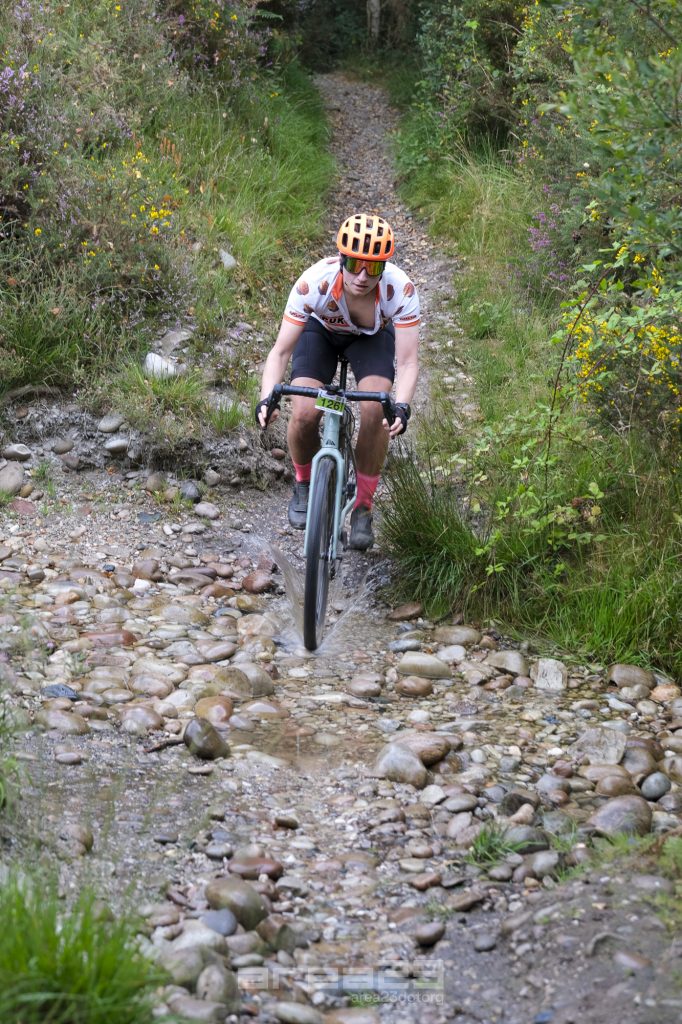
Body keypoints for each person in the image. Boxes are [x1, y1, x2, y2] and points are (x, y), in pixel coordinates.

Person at [255, 213, 420, 550]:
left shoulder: (399, 290)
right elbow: (280, 352)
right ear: (341, 259)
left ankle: (363, 506)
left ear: (385, 267)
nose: (362, 276)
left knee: (376, 409)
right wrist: (267, 396)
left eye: (373, 268)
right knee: (304, 412)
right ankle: (305, 483)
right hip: (321, 332)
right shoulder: (313, 283)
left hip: (372, 337)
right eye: (355, 264)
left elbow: (407, 362)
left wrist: (401, 406)